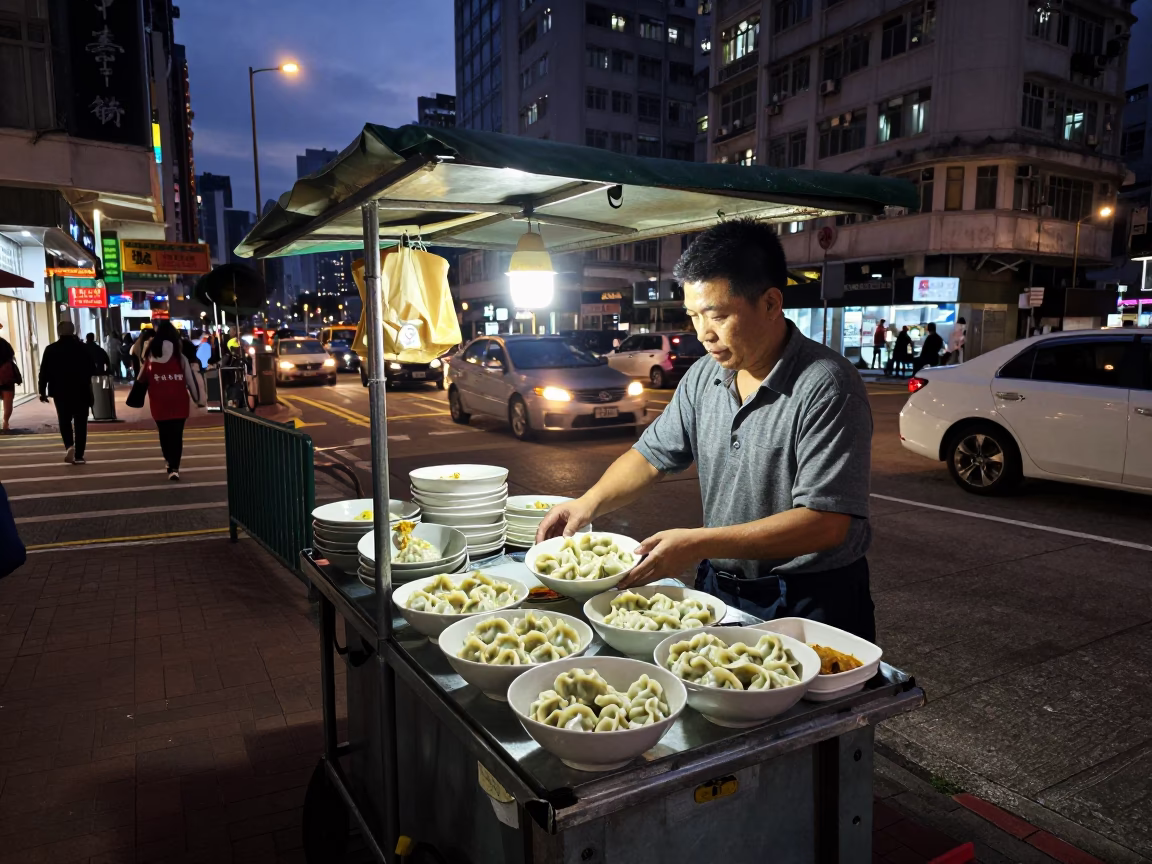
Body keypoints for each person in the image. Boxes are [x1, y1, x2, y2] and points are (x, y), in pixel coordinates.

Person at [537, 218, 876, 640]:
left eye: (717, 316)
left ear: (771, 304)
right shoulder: (704, 376)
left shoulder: (826, 384)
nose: (704, 335)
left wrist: (697, 543)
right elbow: (650, 457)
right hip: (721, 587)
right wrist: (586, 504)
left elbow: (826, 523)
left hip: (811, 599)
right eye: (693, 316)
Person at [138, 321, 203, 481]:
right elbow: (190, 380)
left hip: (158, 401)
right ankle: (174, 467)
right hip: (179, 400)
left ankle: (168, 461)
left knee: (164, 433)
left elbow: (141, 377)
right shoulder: (180, 357)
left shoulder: (150, 356)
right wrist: (198, 399)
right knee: (177, 435)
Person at [37, 321, 95, 464]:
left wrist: (42, 391)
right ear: (73, 331)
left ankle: (69, 446)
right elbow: (92, 369)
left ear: (59, 332)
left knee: (64, 420)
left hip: (60, 391)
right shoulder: (83, 348)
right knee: (81, 422)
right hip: (81, 390)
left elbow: (43, 372)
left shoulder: (51, 349)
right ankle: (80, 455)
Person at [0, 321, 21, 433]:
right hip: (6, 376)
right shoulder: (4, 343)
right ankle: (5, 422)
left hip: (5, 375)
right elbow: (11, 356)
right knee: (8, 400)